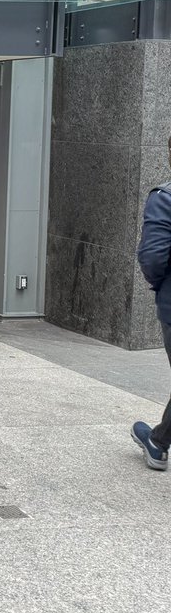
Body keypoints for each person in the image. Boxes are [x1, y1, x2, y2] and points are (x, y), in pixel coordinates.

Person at [133, 133, 171, 470]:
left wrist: (162, 286)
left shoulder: (165, 198)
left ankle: (158, 443)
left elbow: (153, 258)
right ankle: (158, 441)